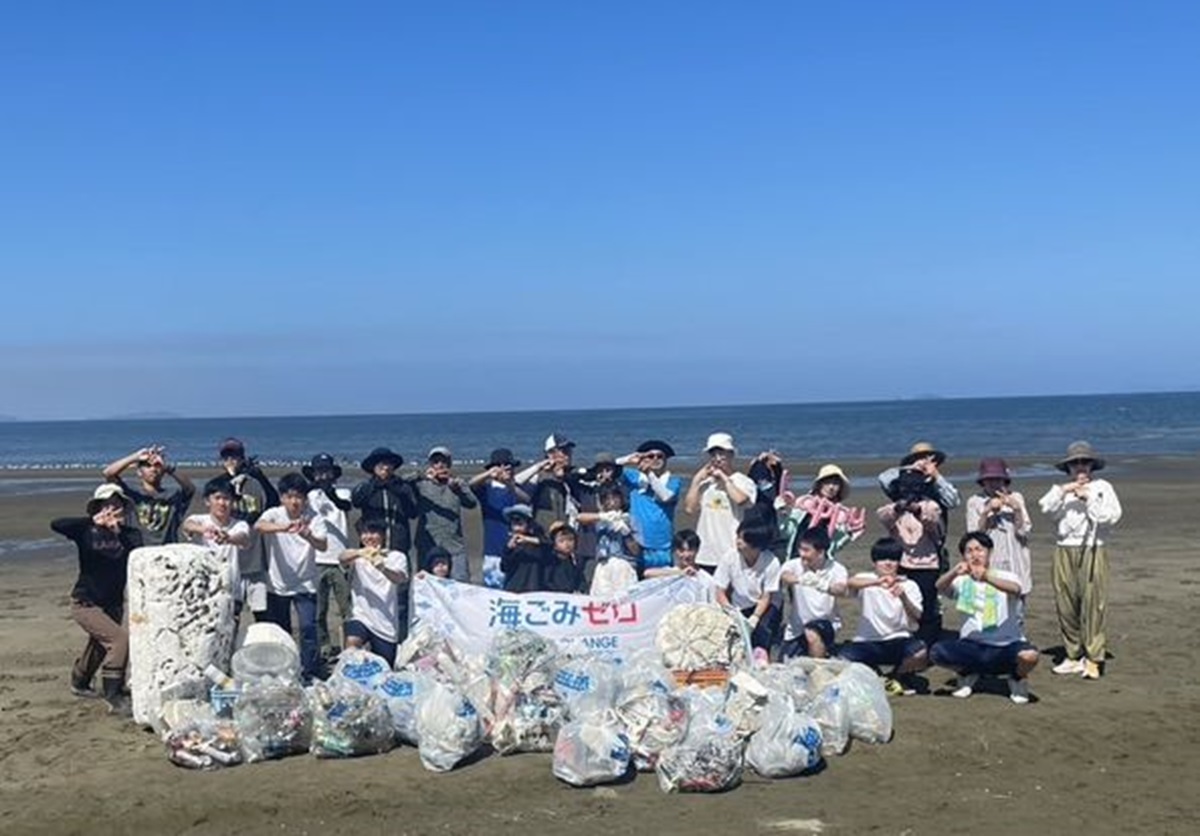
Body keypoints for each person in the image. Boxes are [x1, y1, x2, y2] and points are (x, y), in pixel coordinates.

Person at [51, 484, 143, 715]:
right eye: (107, 505)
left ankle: (79, 680)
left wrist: (117, 532)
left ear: (124, 509)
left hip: (113, 603)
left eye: (117, 505)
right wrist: (93, 522)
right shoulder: (86, 531)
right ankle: (114, 695)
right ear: (99, 507)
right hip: (85, 602)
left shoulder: (130, 535)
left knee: (100, 646)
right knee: (120, 641)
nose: (112, 509)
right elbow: (57, 524)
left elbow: (138, 553)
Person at [1038, 441, 1123, 680]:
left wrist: (1088, 498)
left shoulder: (1103, 487)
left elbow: (1109, 517)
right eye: (1075, 463)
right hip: (1064, 549)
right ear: (1068, 467)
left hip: (1093, 549)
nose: (1080, 467)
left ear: (1092, 464)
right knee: (1066, 605)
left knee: (1093, 604)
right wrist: (1065, 490)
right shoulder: (1063, 490)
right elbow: (1045, 508)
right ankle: (1073, 655)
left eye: (1084, 462)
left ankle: (1094, 657)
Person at [930, 532, 1039, 704]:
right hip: (973, 644)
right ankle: (967, 673)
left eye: (979, 550)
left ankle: (1017, 678)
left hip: (1006, 644)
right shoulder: (962, 581)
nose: (975, 555)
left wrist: (987, 577)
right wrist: (954, 572)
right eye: (969, 551)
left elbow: (1016, 589)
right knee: (937, 652)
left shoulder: (1004, 576)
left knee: (1029, 656)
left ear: (989, 552)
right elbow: (940, 587)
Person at [255, 473, 329, 683]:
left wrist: (307, 535)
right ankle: (285, 670)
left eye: (299, 496)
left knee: (307, 627)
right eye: (289, 496)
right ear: (282, 498)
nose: (294, 501)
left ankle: (310, 670)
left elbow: (323, 544)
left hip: (306, 582)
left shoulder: (314, 517)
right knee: (282, 630)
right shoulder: (274, 514)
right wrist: (283, 528)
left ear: (305, 498)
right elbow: (259, 526)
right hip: (277, 584)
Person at [839, 538, 929, 696]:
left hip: (898, 640)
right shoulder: (866, 579)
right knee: (842, 658)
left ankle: (896, 676)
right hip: (867, 641)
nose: (888, 563)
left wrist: (903, 597)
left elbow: (918, 615)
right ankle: (876, 675)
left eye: (893, 559)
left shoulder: (909, 585)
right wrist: (877, 582)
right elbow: (850, 583)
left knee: (920, 652)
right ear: (875, 562)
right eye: (882, 559)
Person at [877, 467, 947, 646]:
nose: (909, 492)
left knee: (927, 605)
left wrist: (917, 510)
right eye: (905, 487)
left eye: (914, 487)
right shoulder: (894, 508)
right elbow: (882, 517)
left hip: (927, 565)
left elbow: (934, 524)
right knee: (900, 603)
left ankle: (928, 641)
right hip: (901, 563)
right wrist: (898, 507)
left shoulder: (931, 506)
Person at [217, 437, 279, 619]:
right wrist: (229, 480)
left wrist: (260, 476)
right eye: (226, 457)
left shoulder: (254, 483)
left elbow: (273, 502)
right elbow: (218, 509)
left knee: (262, 613)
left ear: (242, 458)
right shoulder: (219, 484)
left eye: (235, 456)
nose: (231, 461)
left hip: (255, 560)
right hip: (230, 560)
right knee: (230, 615)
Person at [303, 453, 353, 661]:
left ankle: (349, 646)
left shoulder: (343, 492)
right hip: (318, 558)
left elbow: (345, 507)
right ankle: (324, 647)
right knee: (319, 610)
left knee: (346, 607)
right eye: (319, 472)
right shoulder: (309, 496)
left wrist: (329, 493)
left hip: (341, 558)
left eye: (327, 471)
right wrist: (314, 489)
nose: (323, 476)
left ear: (334, 473)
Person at [339, 519, 409, 667]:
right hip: (361, 615)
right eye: (364, 533)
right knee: (352, 644)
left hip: (386, 623)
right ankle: (348, 680)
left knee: (384, 667)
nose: (369, 537)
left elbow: (400, 578)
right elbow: (342, 558)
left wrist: (382, 567)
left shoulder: (396, 556)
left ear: (383, 535)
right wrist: (361, 552)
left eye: (373, 533)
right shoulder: (357, 558)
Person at [685, 432, 758, 570]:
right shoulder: (705, 484)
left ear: (731, 454)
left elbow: (741, 500)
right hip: (705, 553)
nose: (717, 458)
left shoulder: (742, 480)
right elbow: (690, 508)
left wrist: (724, 479)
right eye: (713, 454)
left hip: (731, 551)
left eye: (722, 453)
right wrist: (696, 481)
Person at [102, 444, 195, 545]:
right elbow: (108, 473)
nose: (153, 469)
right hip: (138, 551)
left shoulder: (172, 497)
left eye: (156, 466)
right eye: (147, 466)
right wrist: (136, 457)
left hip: (166, 551)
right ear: (139, 472)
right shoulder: (130, 495)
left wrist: (167, 467)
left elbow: (190, 488)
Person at [778, 528, 848, 660]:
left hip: (826, 623)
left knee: (812, 633)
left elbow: (841, 589)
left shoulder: (836, 568)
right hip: (797, 627)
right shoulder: (794, 564)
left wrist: (823, 585)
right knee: (784, 663)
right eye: (800, 549)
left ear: (821, 552)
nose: (802, 554)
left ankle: (818, 669)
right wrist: (800, 579)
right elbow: (785, 576)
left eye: (806, 550)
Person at [965, 458, 1033, 596]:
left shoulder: (1016, 497)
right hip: (991, 562)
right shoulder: (974, 501)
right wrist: (987, 511)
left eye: (998, 479)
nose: (993, 483)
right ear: (983, 482)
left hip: (1015, 560)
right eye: (989, 479)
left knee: (1017, 605)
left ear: (1004, 481)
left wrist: (1017, 509)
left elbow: (1024, 532)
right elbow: (974, 537)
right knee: (991, 604)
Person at [181, 477, 251, 607]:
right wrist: (203, 530)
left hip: (231, 590)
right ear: (208, 501)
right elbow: (187, 525)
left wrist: (228, 538)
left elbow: (243, 538)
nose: (222, 503)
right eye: (217, 498)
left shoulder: (239, 524)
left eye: (226, 499)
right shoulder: (200, 520)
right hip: (203, 590)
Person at [411, 445, 478, 583]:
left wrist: (459, 490)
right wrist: (422, 475)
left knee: (461, 583)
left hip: (454, 545)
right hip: (427, 544)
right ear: (431, 465)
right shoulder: (421, 484)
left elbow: (472, 504)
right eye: (436, 462)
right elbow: (402, 481)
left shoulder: (457, 483)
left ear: (450, 464)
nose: (440, 465)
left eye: (444, 462)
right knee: (426, 585)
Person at [713, 519, 781, 652]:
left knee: (761, 633)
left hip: (763, 606)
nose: (738, 542)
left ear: (756, 545)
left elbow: (766, 596)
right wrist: (731, 611)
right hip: (738, 606)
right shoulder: (729, 557)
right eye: (738, 537)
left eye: (743, 540)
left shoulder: (771, 562)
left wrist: (755, 618)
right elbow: (720, 590)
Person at [469, 448, 531, 589]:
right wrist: (490, 474)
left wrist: (509, 483)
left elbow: (527, 499)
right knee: (493, 594)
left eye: (510, 466)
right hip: (493, 553)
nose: (508, 469)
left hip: (518, 551)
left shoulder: (514, 489)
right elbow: (471, 484)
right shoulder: (487, 489)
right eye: (503, 466)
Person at [777, 463, 865, 561]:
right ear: (820, 484)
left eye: (835, 484)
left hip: (822, 564)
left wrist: (849, 535)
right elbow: (787, 532)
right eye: (827, 482)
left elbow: (835, 546)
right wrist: (782, 513)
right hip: (795, 558)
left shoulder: (840, 515)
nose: (831, 487)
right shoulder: (805, 503)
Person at [619, 440, 683, 572]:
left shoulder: (673, 480)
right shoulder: (635, 478)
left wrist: (650, 474)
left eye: (660, 456)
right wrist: (628, 459)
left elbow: (665, 496)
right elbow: (607, 467)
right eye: (650, 456)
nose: (655, 459)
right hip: (636, 544)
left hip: (663, 545)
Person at [578, 485, 640, 598]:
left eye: (615, 498)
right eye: (607, 499)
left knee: (625, 601)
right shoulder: (600, 519)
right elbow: (580, 517)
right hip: (603, 563)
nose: (611, 502)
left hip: (623, 564)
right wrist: (602, 516)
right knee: (601, 601)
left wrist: (626, 533)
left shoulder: (630, 519)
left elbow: (636, 550)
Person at [516, 433, 584, 532]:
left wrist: (564, 477)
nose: (568, 455)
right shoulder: (540, 477)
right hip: (544, 533)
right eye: (564, 451)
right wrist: (539, 466)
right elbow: (514, 482)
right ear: (551, 454)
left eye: (569, 451)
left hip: (567, 536)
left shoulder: (574, 476)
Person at [500, 504, 548, 593]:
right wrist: (508, 549)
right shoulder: (510, 544)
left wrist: (527, 539)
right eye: (513, 520)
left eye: (520, 520)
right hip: (513, 589)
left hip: (533, 590)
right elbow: (504, 567)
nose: (516, 523)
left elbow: (549, 545)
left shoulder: (536, 542)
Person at [544, 521, 585, 593]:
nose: (567, 544)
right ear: (555, 545)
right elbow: (547, 581)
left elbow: (580, 580)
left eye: (570, 539)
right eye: (561, 541)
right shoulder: (550, 561)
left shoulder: (575, 561)